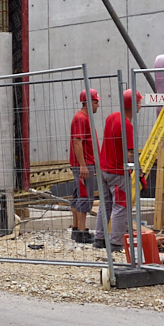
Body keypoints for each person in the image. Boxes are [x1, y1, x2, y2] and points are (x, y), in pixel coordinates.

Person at [95, 88, 142, 254]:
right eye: (139, 103)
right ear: (133, 105)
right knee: (121, 206)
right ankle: (116, 243)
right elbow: (130, 154)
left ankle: (99, 239)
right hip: (117, 172)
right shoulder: (127, 125)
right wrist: (140, 172)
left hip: (103, 169)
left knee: (105, 205)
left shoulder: (112, 117)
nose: (140, 106)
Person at [69, 88, 101, 243]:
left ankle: (76, 229)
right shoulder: (81, 118)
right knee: (85, 196)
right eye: (96, 102)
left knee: (78, 195)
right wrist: (83, 165)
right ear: (88, 102)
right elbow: (77, 142)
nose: (97, 106)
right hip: (84, 164)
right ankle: (81, 231)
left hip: (85, 163)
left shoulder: (84, 118)